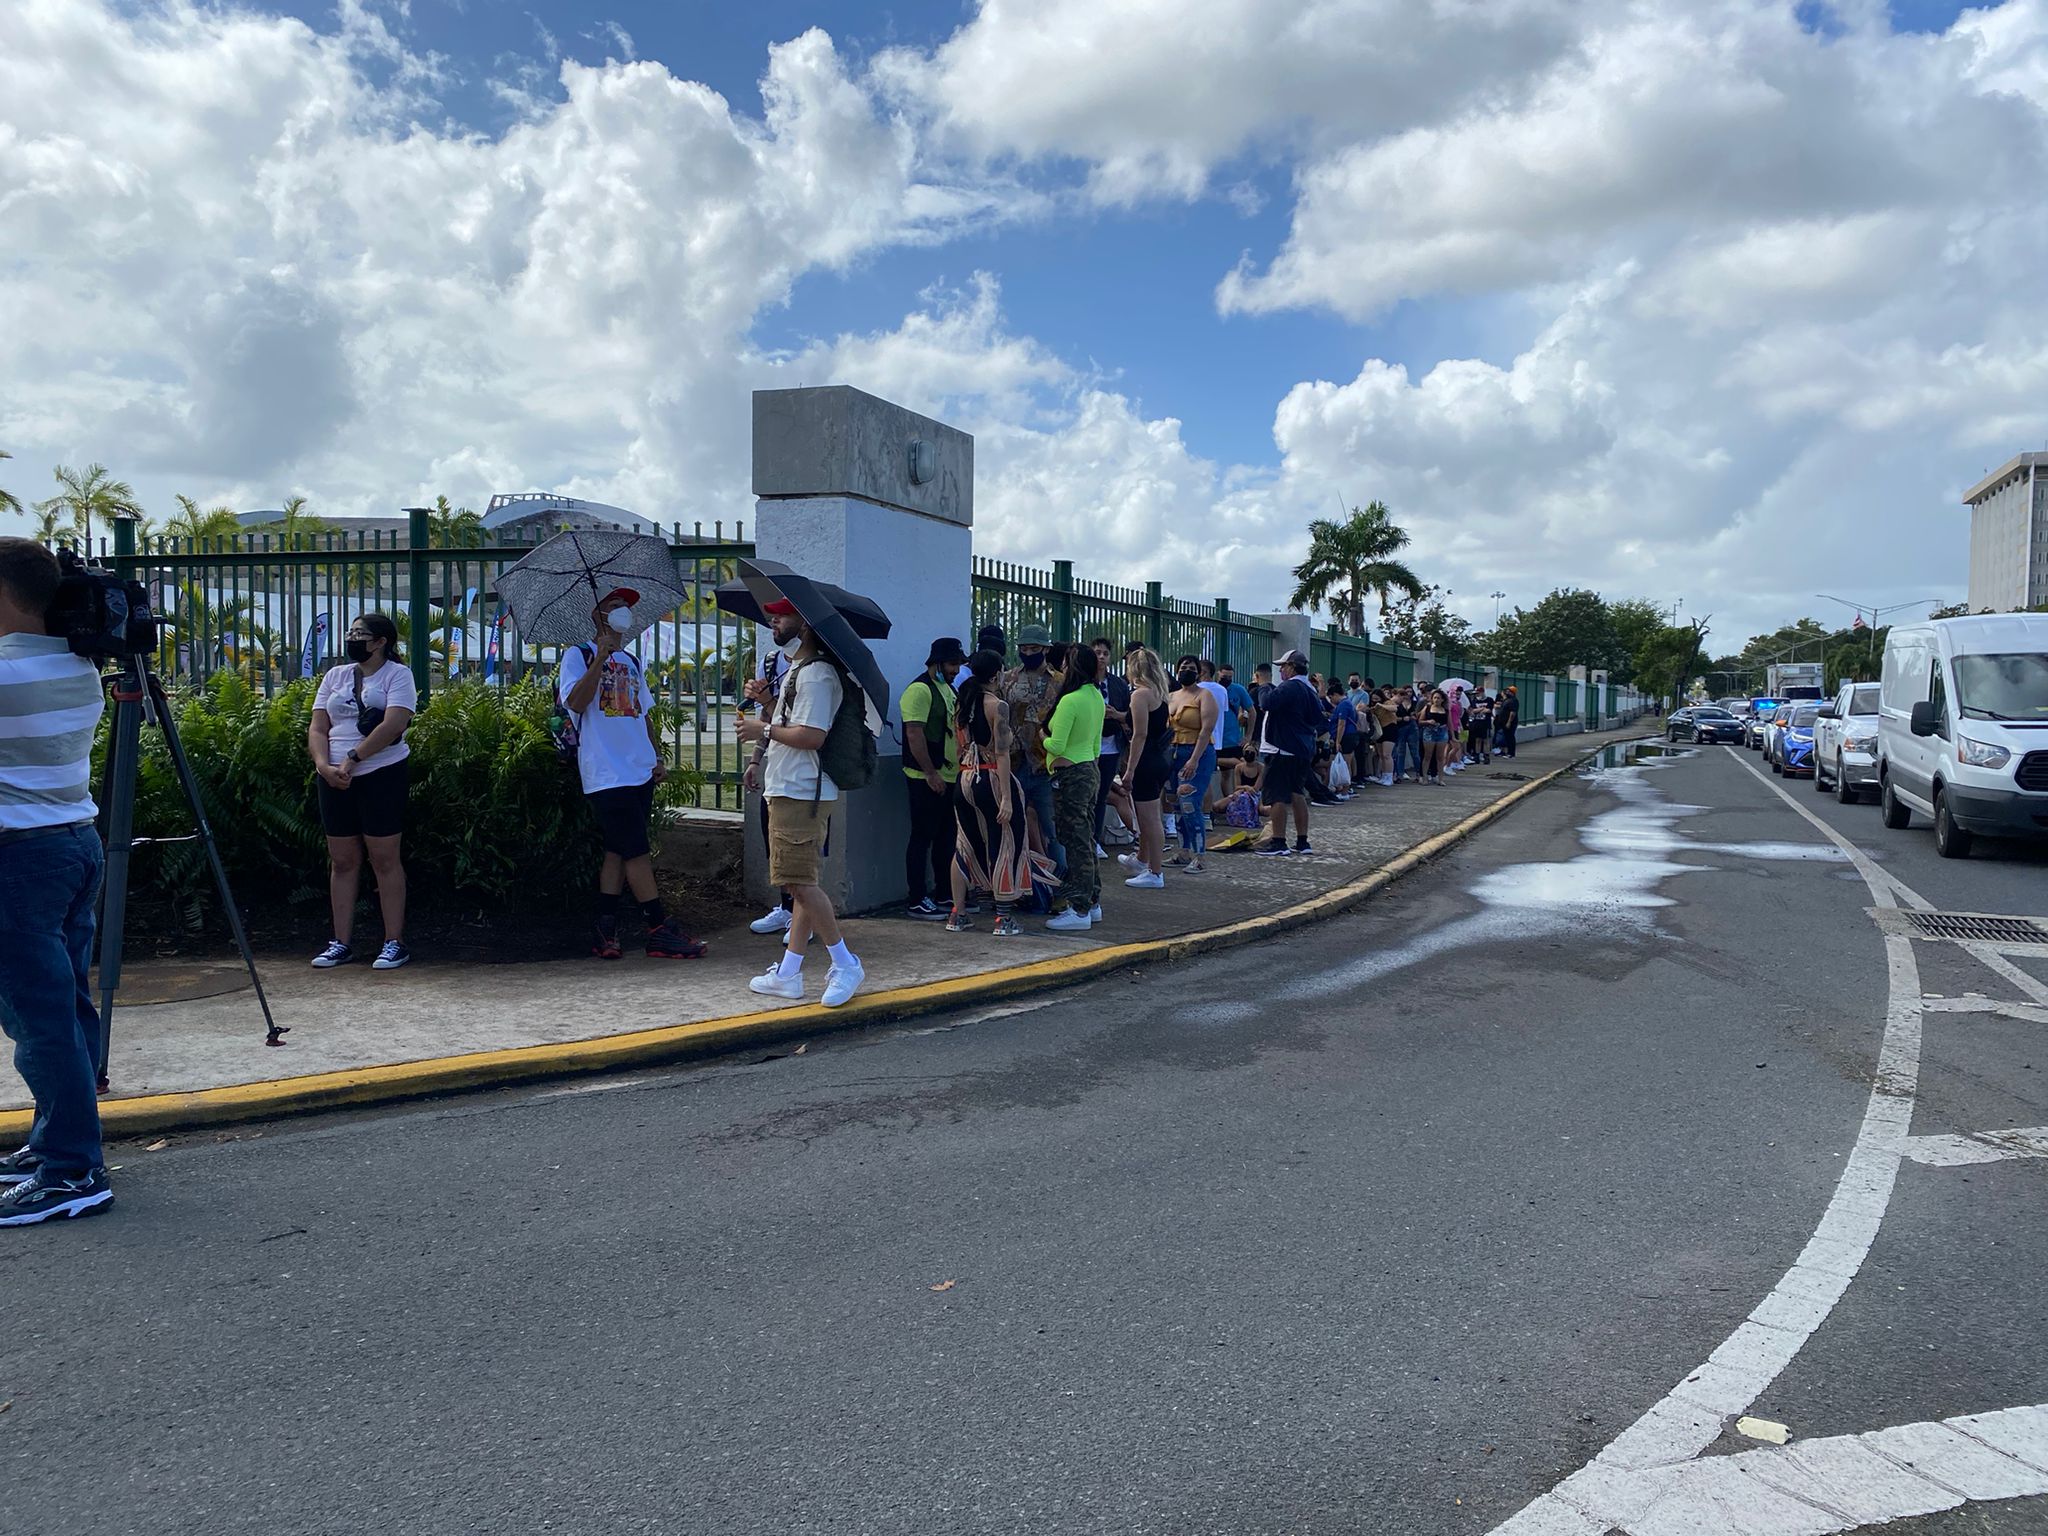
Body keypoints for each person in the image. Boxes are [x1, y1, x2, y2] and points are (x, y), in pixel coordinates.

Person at [0, 539, 114, 1226]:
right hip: (73, 844)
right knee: (65, 1007)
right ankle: (60, 1140)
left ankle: (72, 1169)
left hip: (18, 861)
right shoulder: (79, 665)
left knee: (39, 1020)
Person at [559, 588, 705, 961]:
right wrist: (600, 659)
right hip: (606, 772)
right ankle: (658, 928)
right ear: (597, 615)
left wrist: (655, 755)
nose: (623, 612)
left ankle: (604, 927)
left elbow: (644, 713)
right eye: (613, 607)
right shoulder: (578, 656)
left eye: (626, 607)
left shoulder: (633, 661)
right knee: (636, 850)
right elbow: (575, 702)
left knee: (618, 850)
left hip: (638, 769)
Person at [737, 614, 864, 1007]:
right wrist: (768, 704)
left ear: (806, 625)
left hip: (801, 791)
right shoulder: (798, 670)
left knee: (802, 885)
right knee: (798, 884)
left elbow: (811, 735)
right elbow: (794, 721)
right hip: (790, 787)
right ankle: (789, 973)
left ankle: (845, 964)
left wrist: (763, 730)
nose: (773, 621)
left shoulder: (816, 675)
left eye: (782, 615)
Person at [305, 613, 416, 971]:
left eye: (360, 634)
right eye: (350, 632)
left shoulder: (398, 675)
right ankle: (340, 942)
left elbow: (395, 723)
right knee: (342, 860)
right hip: (334, 776)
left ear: (381, 641)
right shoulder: (335, 676)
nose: (352, 638)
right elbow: (318, 726)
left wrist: (353, 759)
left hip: (380, 772)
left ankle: (394, 941)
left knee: (384, 857)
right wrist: (324, 765)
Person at [946, 650, 1048, 938]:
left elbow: (958, 747)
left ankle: (958, 912)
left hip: (964, 777)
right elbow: (1002, 754)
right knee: (1005, 842)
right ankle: (1003, 918)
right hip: (990, 775)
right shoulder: (997, 705)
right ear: (995, 675)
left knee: (964, 844)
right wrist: (1006, 796)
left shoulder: (962, 702)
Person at [743, 600, 804, 936]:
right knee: (774, 841)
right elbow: (768, 718)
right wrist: (755, 759)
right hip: (776, 767)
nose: (773, 620)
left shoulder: (814, 667)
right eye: (772, 615)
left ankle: (802, 916)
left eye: (781, 615)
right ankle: (786, 907)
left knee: (799, 849)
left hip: (804, 771)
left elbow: (804, 724)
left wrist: (767, 704)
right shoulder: (771, 662)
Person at [899, 636, 965, 920]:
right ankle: (916, 898)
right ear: (937, 662)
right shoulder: (919, 690)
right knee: (922, 837)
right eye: (952, 664)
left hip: (949, 775)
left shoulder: (947, 688)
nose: (956, 669)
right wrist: (929, 772)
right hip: (924, 777)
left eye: (958, 664)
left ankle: (943, 892)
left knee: (946, 838)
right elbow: (914, 733)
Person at [1043, 644, 1106, 932]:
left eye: (1066, 663)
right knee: (1086, 837)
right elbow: (1095, 744)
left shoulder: (1070, 700)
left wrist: (1041, 735)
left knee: (1074, 840)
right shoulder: (1095, 696)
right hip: (1089, 768)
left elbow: (1056, 744)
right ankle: (1092, 901)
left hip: (1070, 773)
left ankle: (1079, 908)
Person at [1001, 624, 1062, 878]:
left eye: (1033, 648)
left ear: (1046, 649)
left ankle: (1060, 881)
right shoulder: (1008, 678)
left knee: (1053, 829)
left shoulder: (1060, 680)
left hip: (1046, 762)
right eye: (1023, 648)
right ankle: (1020, 881)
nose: (1028, 652)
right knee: (1013, 826)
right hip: (1014, 761)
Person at [1109, 647, 1171, 888]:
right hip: (1160, 757)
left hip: (1145, 760)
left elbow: (1139, 734)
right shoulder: (1159, 693)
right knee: (1152, 816)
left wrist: (1130, 769)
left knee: (1148, 820)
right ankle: (1144, 860)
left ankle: (1155, 872)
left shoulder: (1139, 695)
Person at [1254, 649, 1321, 856]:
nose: (1281, 670)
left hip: (1281, 749)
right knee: (1296, 793)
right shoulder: (1310, 689)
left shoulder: (1291, 686)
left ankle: (1279, 841)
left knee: (1277, 796)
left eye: (1283, 666)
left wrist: (1264, 685)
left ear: (1291, 667)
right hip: (1301, 750)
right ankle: (1302, 841)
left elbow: (1266, 703)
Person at [1167, 655, 1220, 873]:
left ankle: (1200, 856)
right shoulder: (1171, 696)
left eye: (1190, 668)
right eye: (1182, 667)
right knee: (1176, 804)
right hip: (1173, 752)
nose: (1185, 671)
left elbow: (1206, 730)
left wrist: (1194, 760)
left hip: (1197, 752)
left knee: (1189, 803)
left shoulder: (1204, 695)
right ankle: (1183, 851)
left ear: (1198, 673)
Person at [1091, 637, 1131, 852]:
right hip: (1088, 747)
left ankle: (1096, 839)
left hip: (1111, 746)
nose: (1101, 657)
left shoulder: (1118, 684)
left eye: (1105, 653)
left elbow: (1130, 715)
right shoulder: (1084, 682)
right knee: (1089, 794)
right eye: (1097, 652)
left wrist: (1117, 715)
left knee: (1102, 793)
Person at [1215, 660, 1254, 799]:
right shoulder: (1211, 690)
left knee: (1229, 772)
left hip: (1232, 739)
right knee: (1236, 765)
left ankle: (1232, 802)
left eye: (1230, 677)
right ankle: (1230, 801)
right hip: (1214, 738)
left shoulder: (1238, 690)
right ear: (1217, 674)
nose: (1227, 680)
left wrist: (1248, 735)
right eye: (1224, 677)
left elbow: (1252, 711)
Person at [1419, 687, 1452, 784]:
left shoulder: (1445, 710)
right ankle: (1424, 777)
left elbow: (1450, 724)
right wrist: (1428, 721)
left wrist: (1453, 736)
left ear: (1442, 699)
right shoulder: (1428, 708)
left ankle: (1440, 778)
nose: (1436, 700)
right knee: (1427, 755)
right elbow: (1420, 721)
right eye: (1435, 698)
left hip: (1442, 732)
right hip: (1429, 732)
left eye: (1438, 698)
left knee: (1440, 757)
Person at [1496, 685, 1521, 759]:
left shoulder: (1513, 701)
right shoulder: (1507, 700)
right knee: (1506, 737)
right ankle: (1505, 752)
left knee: (1510, 737)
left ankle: (1511, 753)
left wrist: (1509, 722)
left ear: (1512, 692)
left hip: (1510, 723)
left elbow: (1512, 712)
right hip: (1503, 722)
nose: (1507, 692)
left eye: (1508, 691)